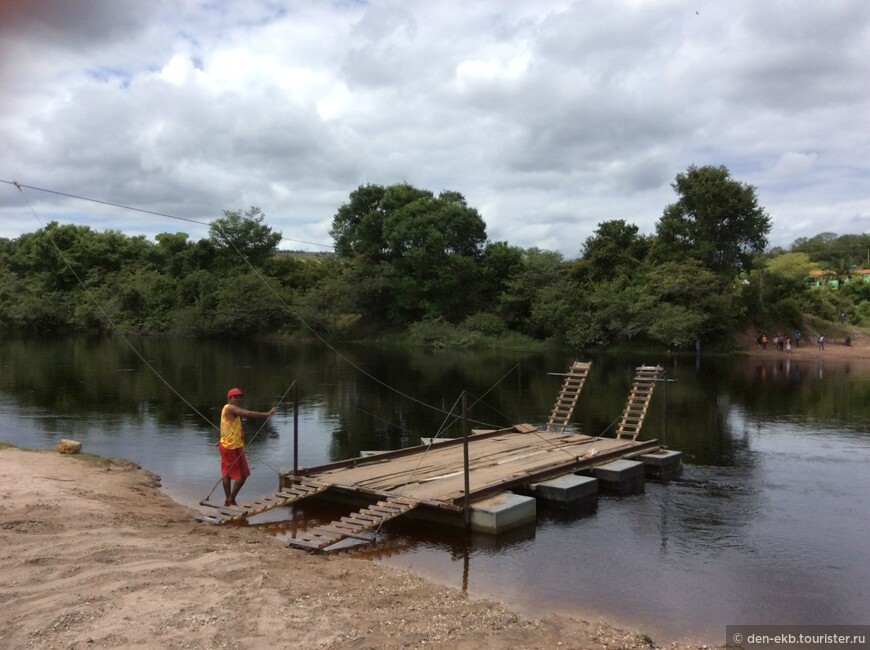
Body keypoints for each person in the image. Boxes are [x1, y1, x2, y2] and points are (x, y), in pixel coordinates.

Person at [218, 387, 276, 506]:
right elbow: (249, 413)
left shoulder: (225, 408)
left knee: (227, 473)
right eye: (235, 397)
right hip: (233, 448)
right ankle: (231, 499)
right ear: (229, 398)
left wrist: (220, 438)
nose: (238, 399)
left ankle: (228, 499)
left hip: (224, 445)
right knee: (243, 475)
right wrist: (268, 413)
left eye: (240, 397)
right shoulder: (232, 408)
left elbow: (226, 426)